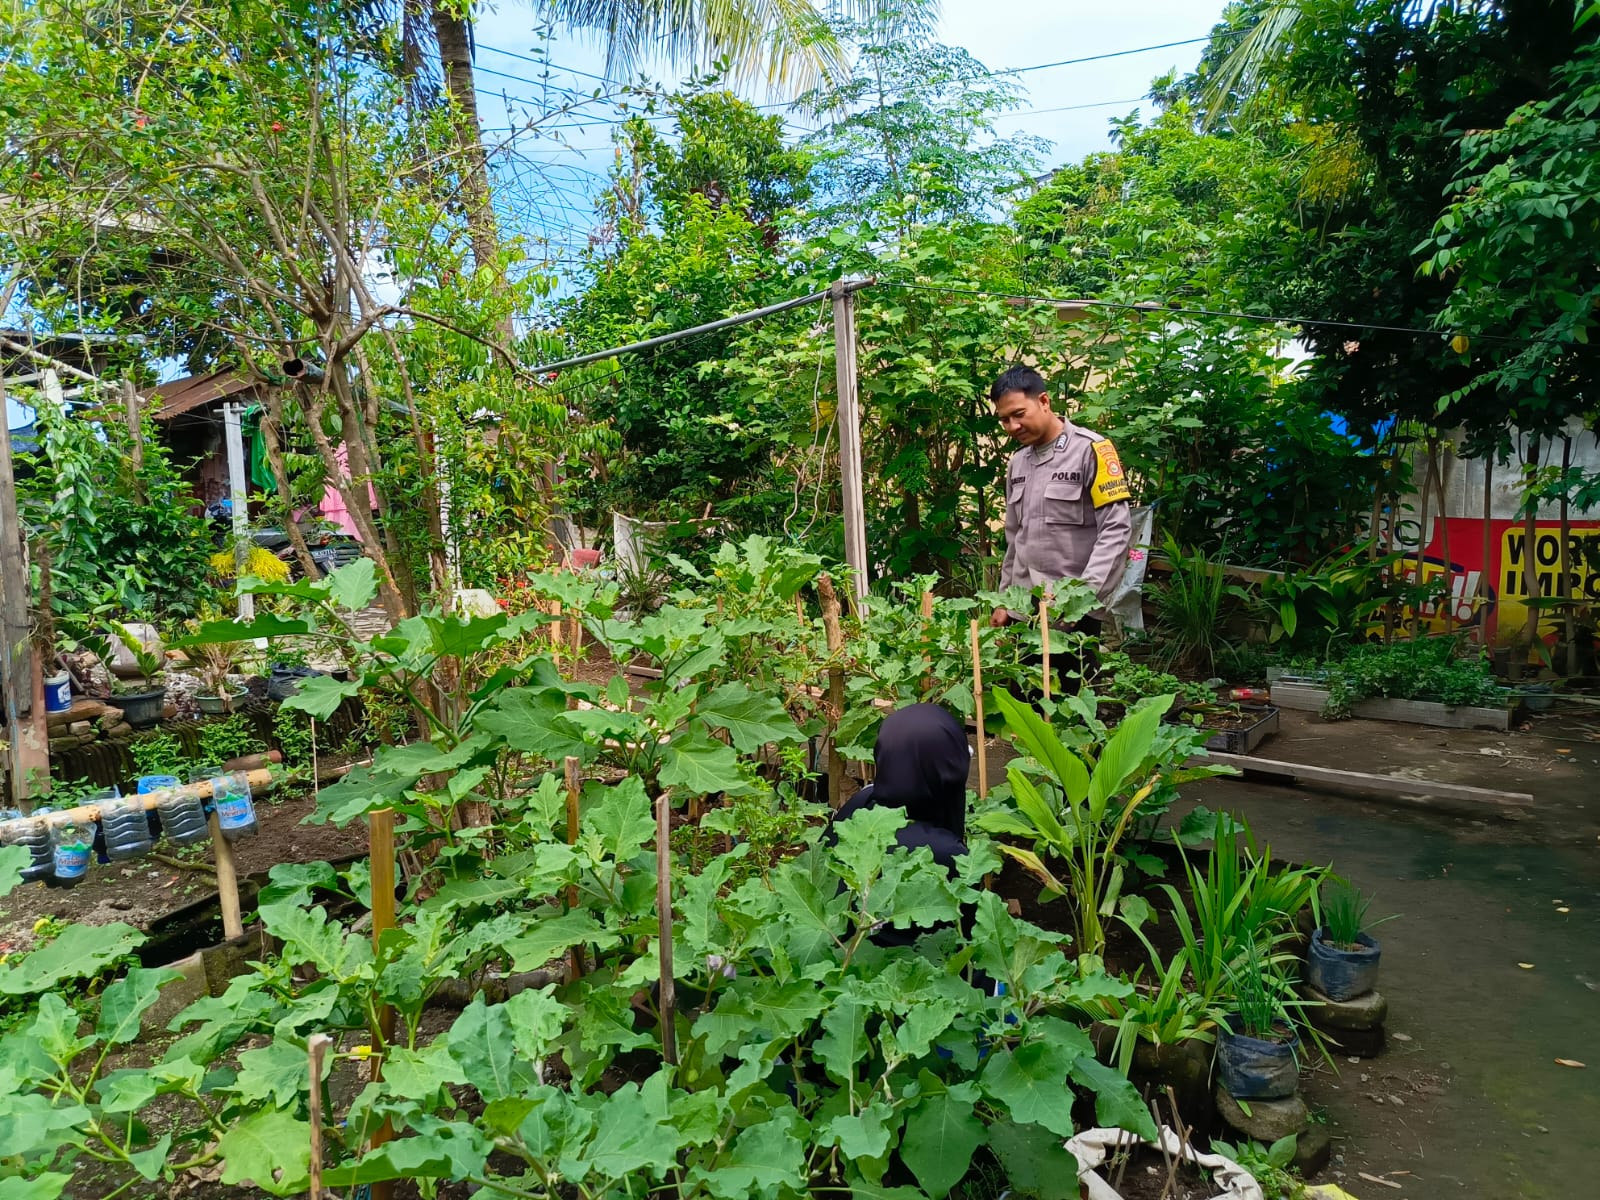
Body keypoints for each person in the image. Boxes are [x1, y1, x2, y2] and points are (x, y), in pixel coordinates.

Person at [988, 364, 1134, 676]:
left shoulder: (1091, 451)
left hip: (1073, 617)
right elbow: (1015, 539)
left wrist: (1077, 599)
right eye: (1004, 419)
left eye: (1018, 414)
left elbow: (1116, 531)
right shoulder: (1018, 464)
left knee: (1069, 712)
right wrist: (1004, 601)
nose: (1012, 426)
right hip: (1024, 613)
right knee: (1023, 707)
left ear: (1044, 401)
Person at [827, 704, 971, 947]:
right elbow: (967, 949)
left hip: (836, 957)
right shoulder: (946, 854)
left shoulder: (860, 805)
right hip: (900, 975)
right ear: (950, 770)